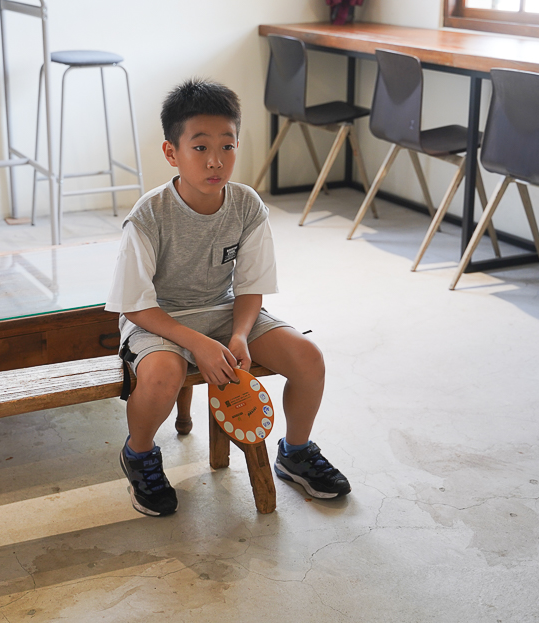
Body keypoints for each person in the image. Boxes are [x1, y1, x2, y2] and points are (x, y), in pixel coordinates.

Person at [106, 78, 351, 517]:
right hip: (157, 319)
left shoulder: (247, 205)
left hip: (224, 312)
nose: (216, 160)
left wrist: (239, 335)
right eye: (199, 148)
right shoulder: (148, 215)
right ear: (171, 153)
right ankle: (139, 454)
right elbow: (133, 304)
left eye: (228, 146)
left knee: (308, 357)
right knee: (162, 373)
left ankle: (295, 452)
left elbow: (251, 285)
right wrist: (196, 342)